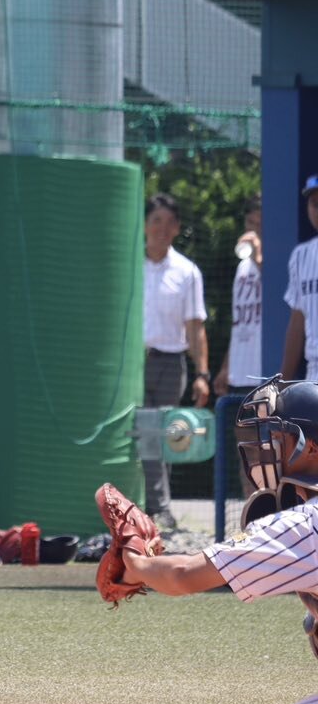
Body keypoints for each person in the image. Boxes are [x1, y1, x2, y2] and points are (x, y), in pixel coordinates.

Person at [99, 374, 318, 704]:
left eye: (277, 437)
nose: (264, 450)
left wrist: (134, 561)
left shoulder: (306, 522)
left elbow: (183, 575)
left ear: (310, 447)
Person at [142, 192, 210, 531]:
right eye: (156, 221)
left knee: (161, 435)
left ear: (178, 228)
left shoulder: (187, 272)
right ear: (144, 225)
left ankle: (157, 508)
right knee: (147, 431)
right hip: (135, 363)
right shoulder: (129, 265)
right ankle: (157, 508)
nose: (162, 229)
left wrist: (203, 374)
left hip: (171, 363)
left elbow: (195, 327)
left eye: (170, 222)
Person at [213, 194, 263, 400]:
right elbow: (239, 322)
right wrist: (226, 367)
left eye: (260, 224)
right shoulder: (242, 267)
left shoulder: (280, 259)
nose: (255, 230)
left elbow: (280, 292)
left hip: (266, 373)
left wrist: (258, 255)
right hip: (240, 374)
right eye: (251, 223)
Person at [279, 175, 318, 382]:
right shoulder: (301, 256)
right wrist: (282, 382)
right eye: (314, 204)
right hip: (314, 372)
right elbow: (297, 322)